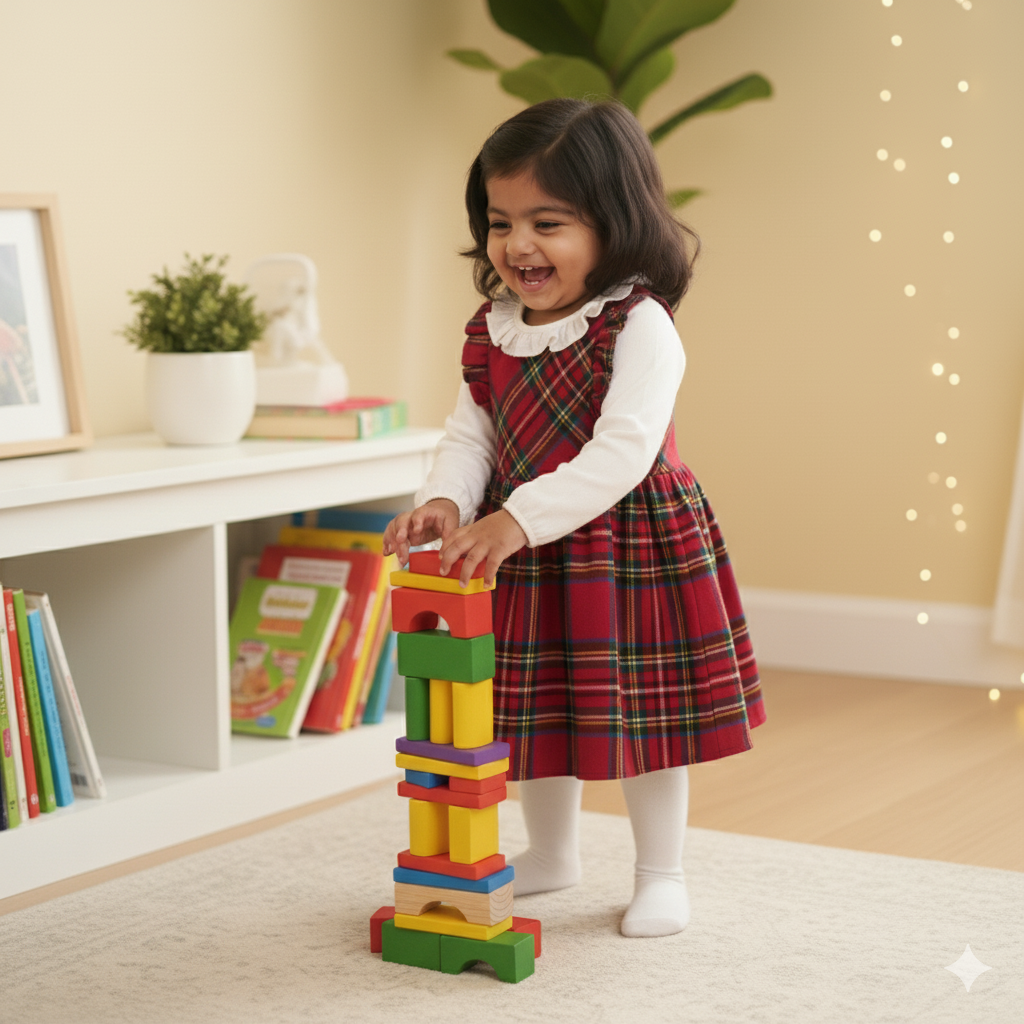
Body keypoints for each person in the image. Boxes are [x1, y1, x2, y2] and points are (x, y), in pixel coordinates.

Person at [383, 98, 765, 938]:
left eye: (547, 222)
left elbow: (622, 452)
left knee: (641, 720)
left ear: (613, 220)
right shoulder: (493, 331)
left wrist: (516, 519)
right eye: (501, 222)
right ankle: (552, 854)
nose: (519, 245)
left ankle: (662, 874)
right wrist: (446, 499)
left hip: (625, 548)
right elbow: (470, 434)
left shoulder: (640, 324)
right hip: (522, 548)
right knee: (535, 710)